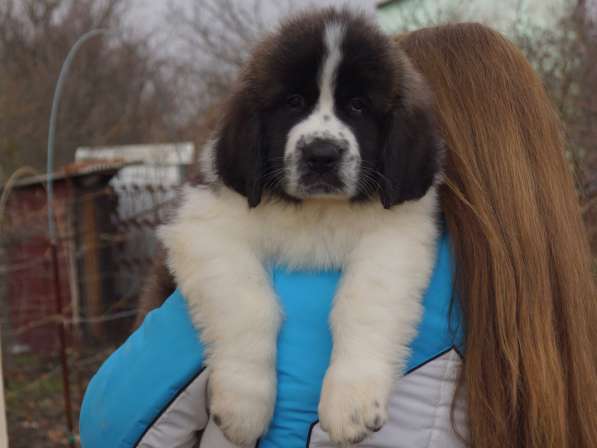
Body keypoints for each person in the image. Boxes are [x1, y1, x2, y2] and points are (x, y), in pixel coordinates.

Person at [79, 23, 596, 448]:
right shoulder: (565, 309)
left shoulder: (295, 284)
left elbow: (113, 425)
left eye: (358, 108)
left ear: (420, 136)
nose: (324, 136)